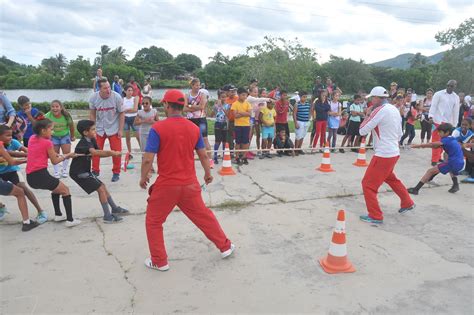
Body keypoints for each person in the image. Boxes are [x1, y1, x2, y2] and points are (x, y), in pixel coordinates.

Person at [140, 89, 234, 272]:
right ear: (183, 105)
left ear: (166, 105)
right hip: (189, 185)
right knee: (203, 216)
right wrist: (207, 173)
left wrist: (143, 178)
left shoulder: (157, 128)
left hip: (166, 186)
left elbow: (147, 159)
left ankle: (159, 261)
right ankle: (225, 246)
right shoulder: (193, 128)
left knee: (153, 222)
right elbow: (203, 155)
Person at [358, 86, 414, 224]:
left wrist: (368, 115)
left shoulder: (379, 110)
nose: (371, 100)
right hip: (394, 151)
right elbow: (400, 133)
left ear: (377, 98)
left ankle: (375, 215)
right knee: (390, 178)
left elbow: (362, 131)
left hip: (383, 153)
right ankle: (407, 202)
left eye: (372, 98)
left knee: (368, 185)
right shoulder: (393, 109)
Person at [70, 120, 129, 223]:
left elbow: (99, 152)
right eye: (93, 129)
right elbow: (96, 153)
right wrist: (112, 153)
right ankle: (107, 216)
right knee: (101, 189)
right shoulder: (83, 143)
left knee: (103, 187)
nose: (95, 131)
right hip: (78, 173)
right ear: (85, 132)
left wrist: (113, 153)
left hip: (85, 170)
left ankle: (114, 208)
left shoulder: (92, 139)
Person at [26, 119, 80, 227]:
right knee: (65, 190)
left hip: (31, 177)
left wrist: (55, 153)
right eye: (51, 129)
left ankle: (58, 215)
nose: (53, 132)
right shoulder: (47, 142)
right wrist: (67, 155)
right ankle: (70, 220)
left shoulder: (32, 138)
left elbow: (41, 151)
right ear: (43, 131)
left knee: (56, 189)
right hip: (40, 175)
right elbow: (55, 161)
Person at [0, 125, 48, 225]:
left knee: (22, 187)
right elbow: (10, 155)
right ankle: (1, 207)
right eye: (7, 135)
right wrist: (26, 159)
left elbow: (26, 150)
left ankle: (40, 210)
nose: (10, 137)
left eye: (11, 135)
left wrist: (35, 154)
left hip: (12, 171)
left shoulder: (13, 142)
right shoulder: (1, 146)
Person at [408, 123, 463, 194]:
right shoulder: (452, 139)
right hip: (460, 162)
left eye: (440, 132)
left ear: (447, 132)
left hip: (453, 162)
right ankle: (455, 185)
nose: (438, 134)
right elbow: (436, 146)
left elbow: (432, 144)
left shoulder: (445, 140)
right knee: (448, 166)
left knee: (430, 171)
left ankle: (416, 189)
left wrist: (418, 145)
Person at [90, 78, 125, 182]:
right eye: (105, 88)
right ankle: (95, 171)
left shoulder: (117, 97)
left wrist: (120, 129)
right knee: (96, 151)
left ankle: (116, 172)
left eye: (109, 87)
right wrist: (92, 129)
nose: (108, 90)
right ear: (99, 89)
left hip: (114, 128)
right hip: (100, 128)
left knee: (116, 152)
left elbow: (122, 113)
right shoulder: (93, 98)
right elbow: (92, 113)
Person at [0, 137, 39, 231]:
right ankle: (27, 223)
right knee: (20, 192)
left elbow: (11, 154)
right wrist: (29, 159)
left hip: (9, 171)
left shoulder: (12, 142)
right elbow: (12, 161)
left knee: (21, 187)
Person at [429, 80, 461, 166]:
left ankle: (439, 157)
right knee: (436, 141)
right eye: (449, 85)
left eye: (452, 86)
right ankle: (434, 160)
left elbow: (456, 111)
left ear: (455, 87)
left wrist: (455, 124)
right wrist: (431, 116)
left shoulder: (456, 97)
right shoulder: (438, 94)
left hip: (448, 123)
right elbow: (434, 106)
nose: (450, 87)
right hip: (437, 121)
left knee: (445, 142)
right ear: (446, 85)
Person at [184, 78, 213, 167]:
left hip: (201, 119)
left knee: (204, 139)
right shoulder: (187, 95)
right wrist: (195, 106)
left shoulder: (202, 94)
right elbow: (184, 108)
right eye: (196, 85)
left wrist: (190, 106)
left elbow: (202, 107)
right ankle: (188, 160)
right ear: (192, 86)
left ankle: (210, 160)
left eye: (199, 85)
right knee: (189, 140)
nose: (198, 87)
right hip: (190, 120)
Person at [44, 100, 75, 178]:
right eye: (53, 107)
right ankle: (56, 171)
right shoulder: (47, 116)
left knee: (67, 153)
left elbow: (71, 126)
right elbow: (43, 127)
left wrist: (72, 136)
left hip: (65, 135)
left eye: (57, 106)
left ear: (61, 108)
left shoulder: (66, 115)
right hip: (53, 137)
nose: (55, 108)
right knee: (55, 153)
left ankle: (64, 170)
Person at [247, 86, 272, 158]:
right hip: (253, 119)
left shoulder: (261, 100)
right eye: (255, 92)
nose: (256, 93)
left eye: (256, 92)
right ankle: (249, 150)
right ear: (250, 92)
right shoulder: (252, 99)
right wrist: (269, 99)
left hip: (262, 119)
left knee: (263, 135)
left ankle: (262, 150)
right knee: (251, 135)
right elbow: (258, 100)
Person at [231, 88, 252, 165]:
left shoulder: (248, 104)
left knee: (245, 142)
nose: (245, 96)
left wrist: (240, 112)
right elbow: (235, 116)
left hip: (246, 125)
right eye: (243, 95)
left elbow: (250, 114)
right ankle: (237, 157)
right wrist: (244, 113)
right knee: (238, 142)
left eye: (246, 95)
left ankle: (244, 156)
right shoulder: (235, 104)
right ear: (239, 95)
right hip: (238, 126)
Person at [122, 84, 140, 161]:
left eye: (131, 90)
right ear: (125, 91)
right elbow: (121, 110)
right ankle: (129, 153)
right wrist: (129, 110)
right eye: (128, 90)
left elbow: (135, 109)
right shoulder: (122, 99)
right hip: (125, 119)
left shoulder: (135, 98)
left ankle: (144, 152)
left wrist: (126, 110)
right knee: (127, 137)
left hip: (134, 118)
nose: (130, 92)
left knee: (138, 137)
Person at [212, 91, 229, 164]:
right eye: (222, 97)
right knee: (217, 141)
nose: (223, 98)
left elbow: (228, 115)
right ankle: (215, 156)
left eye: (225, 97)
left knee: (224, 141)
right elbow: (212, 114)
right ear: (219, 97)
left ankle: (224, 156)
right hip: (218, 123)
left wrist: (223, 108)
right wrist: (215, 107)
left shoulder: (228, 105)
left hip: (224, 124)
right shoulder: (216, 105)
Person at [293, 91, 311, 155]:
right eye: (303, 97)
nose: (305, 98)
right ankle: (296, 149)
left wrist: (309, 117)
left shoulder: (307, 103)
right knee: (298, 136)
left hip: (306, 122)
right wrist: (295, 123)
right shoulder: (297, 104)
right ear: (300, 97)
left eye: (306, 97)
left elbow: (309, 110)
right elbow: (294, 114)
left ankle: (299, 148)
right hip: (299, 122)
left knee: (302, 136)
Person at [224, 85, 238, 159]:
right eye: (231, 91)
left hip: (238, 120)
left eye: (234, 91)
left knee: (238, 136)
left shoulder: (237, 98)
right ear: (227, 92)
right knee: (230, 136)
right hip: (230, 121)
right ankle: (231, 151)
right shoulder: (226, 100)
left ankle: (239, 152)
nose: (233, 93)